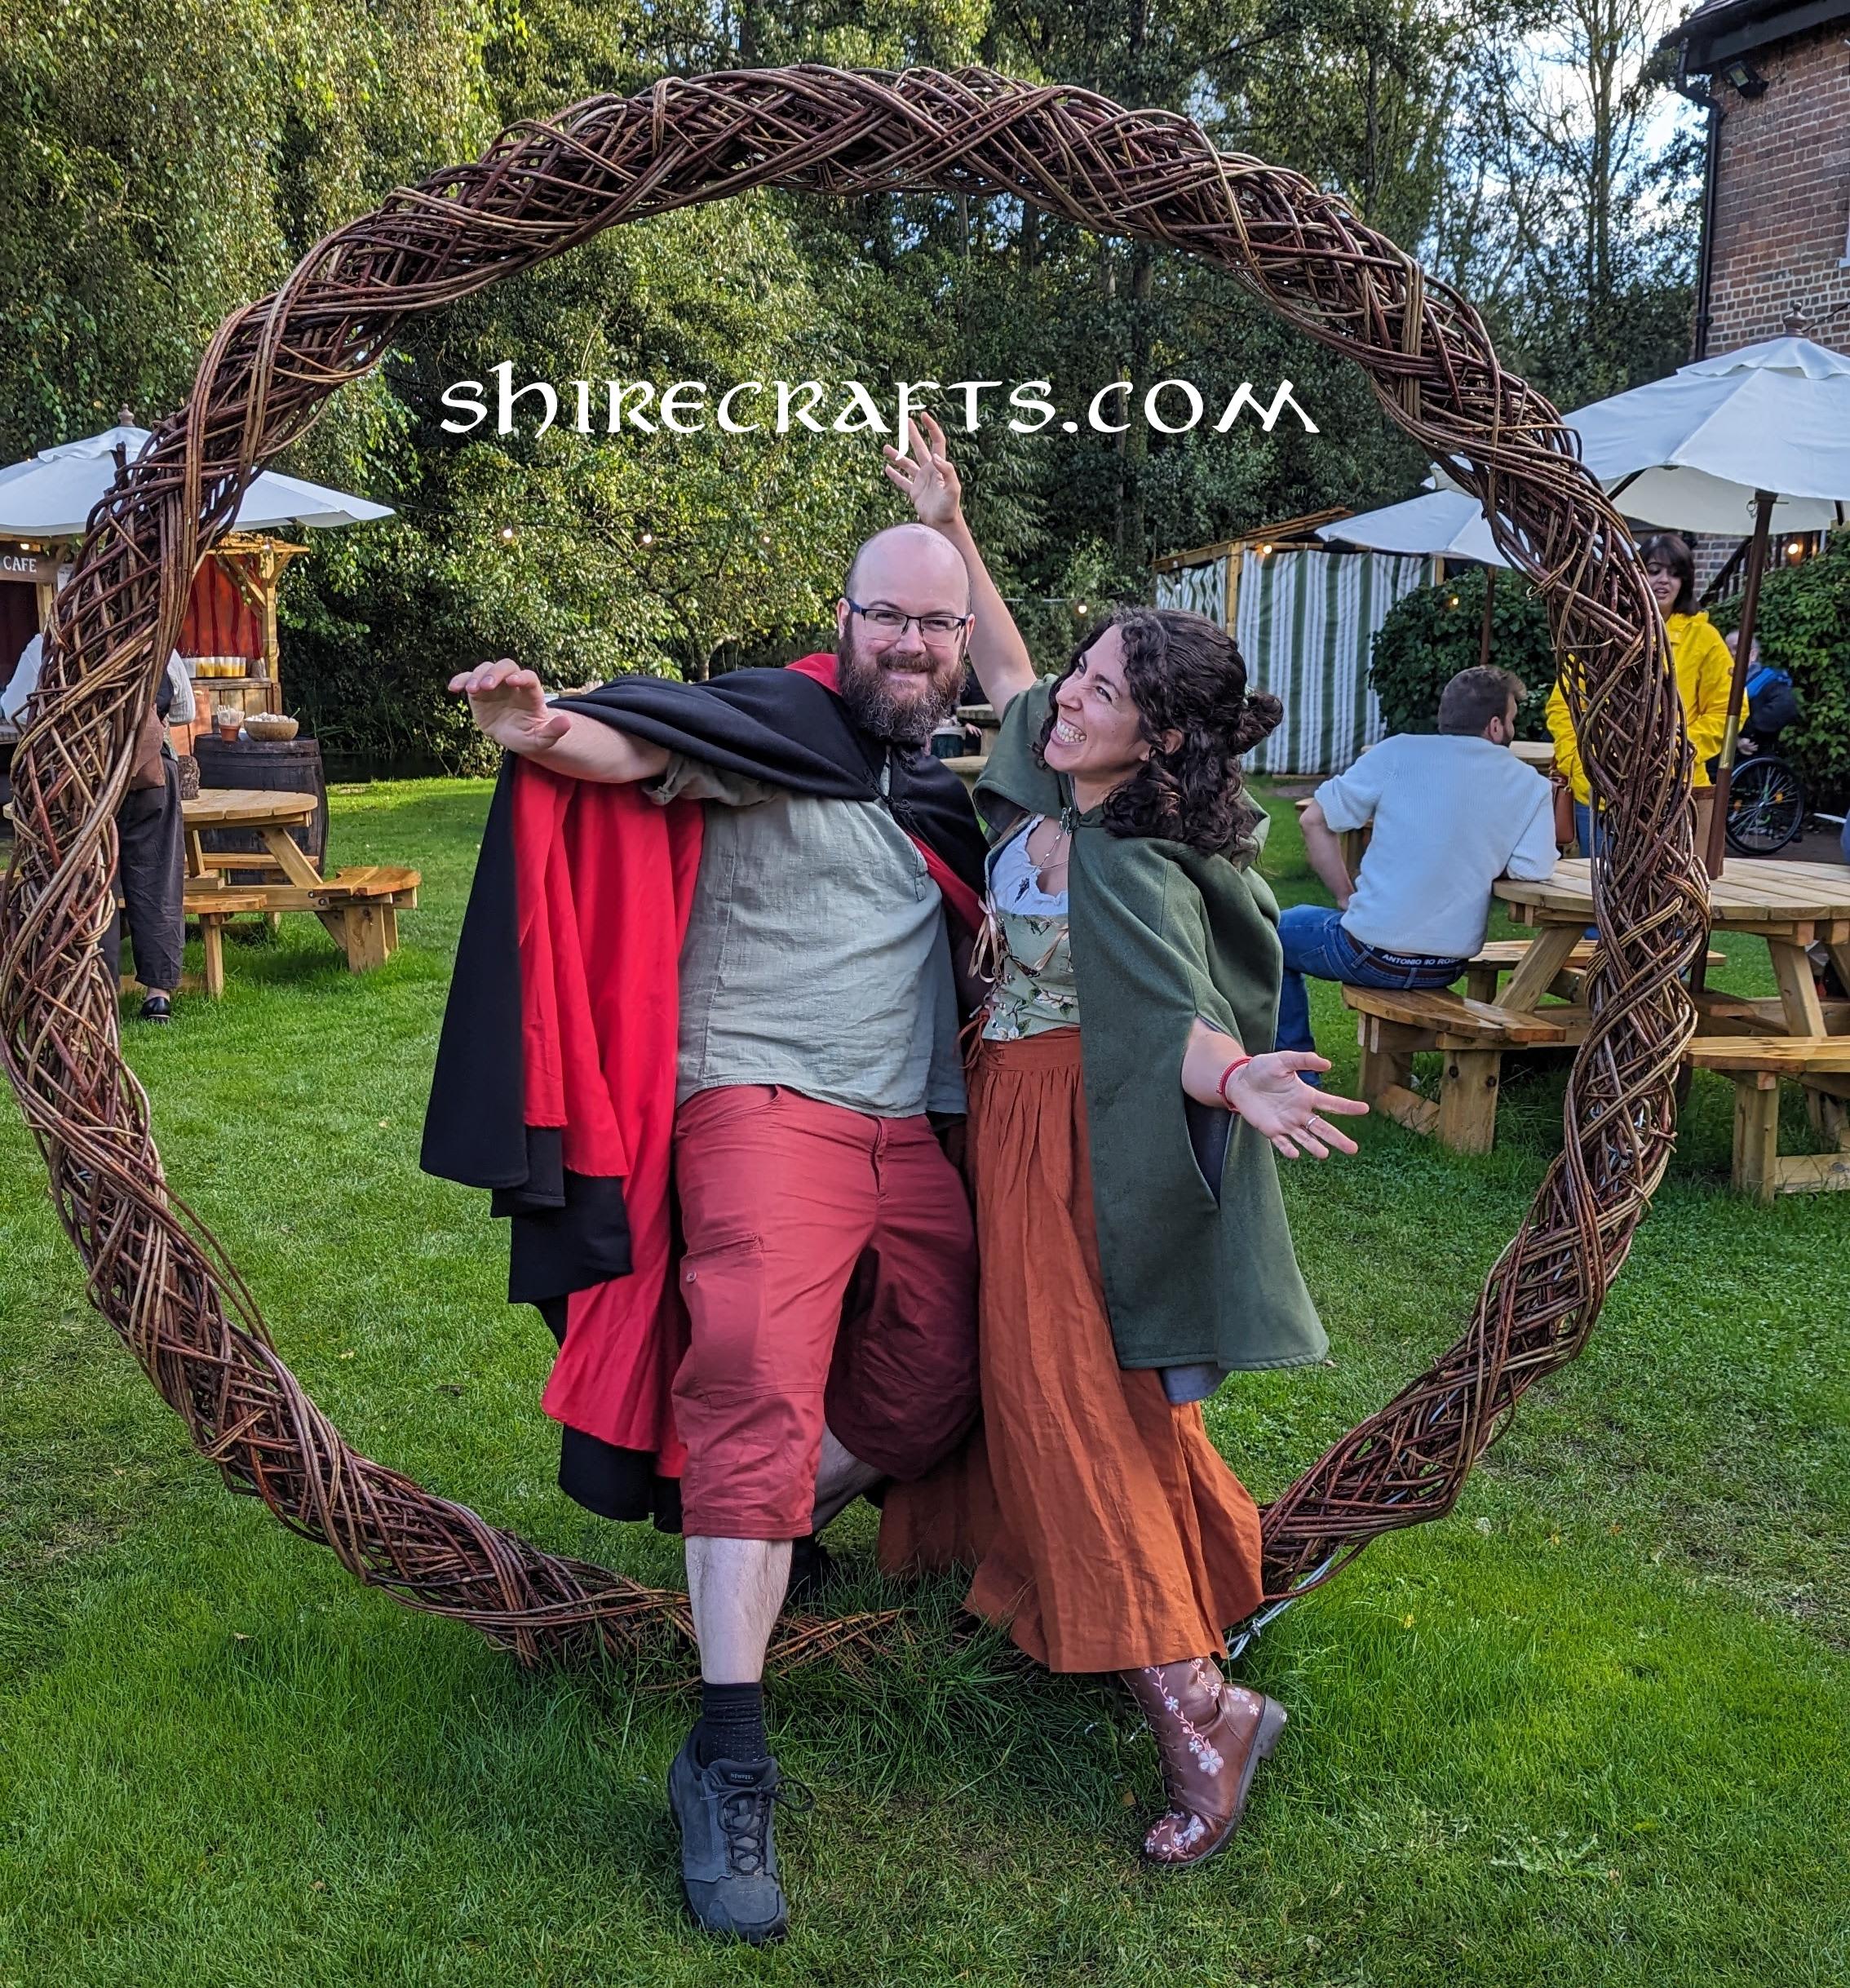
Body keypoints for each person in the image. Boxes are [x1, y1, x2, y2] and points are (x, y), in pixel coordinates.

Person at [430, 520, 991, 1946]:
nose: (911, 643)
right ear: (844, 614)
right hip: (758, 1107)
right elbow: (631, 752)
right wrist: (542, 724)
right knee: (748, 1376)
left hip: (906, 1132)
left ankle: (760, 1521)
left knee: (940, 1379)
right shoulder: (771, 725)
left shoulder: (936, 790)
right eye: (888, 617)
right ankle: (727, 1753)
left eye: (937, 622)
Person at [876, 413, 1367, 1869]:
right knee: (1060, 1387)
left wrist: (1235, 1083)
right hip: (1006, 1110)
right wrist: (952, 525)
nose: (1068, 697)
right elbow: (1018, 669)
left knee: (1060, 1396)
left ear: (1158, 735)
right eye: (1080, 676)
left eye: (1103, 691)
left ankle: (1196, 1706)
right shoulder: (1054, 787)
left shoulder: (1134, 859)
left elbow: (1168, 1022)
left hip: (1075, 1141)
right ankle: (1172, 1583)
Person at [1277, 666, 1557, 1064]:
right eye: (1512, 720)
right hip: (1446, 966)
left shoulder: (1398, 752)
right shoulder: (1530, 784)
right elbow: (1533, 869)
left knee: (1266, 932)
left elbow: (1313, 820)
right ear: (1495, 726)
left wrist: (1344, 895)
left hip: (1368, 952)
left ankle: (1297, 1070)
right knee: (1295, 924)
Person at [6, 635, 196, 1021]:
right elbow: (185, 710)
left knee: (91, 883)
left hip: (79, 781)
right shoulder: (149, 638)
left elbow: (14, 709)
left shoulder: (49, 645)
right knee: (157, 876)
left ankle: (100, 993)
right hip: (149, 773)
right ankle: (158, 995)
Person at [1547, 532, 1745, 857]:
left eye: (1675, 572)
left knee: (1662, 895)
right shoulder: (1599, 632)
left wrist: (1674, 749)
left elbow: (1729, 712)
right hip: (1600, 789)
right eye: (1654, 570)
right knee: (1595, 892)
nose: (1664, 580)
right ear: (1635, 573)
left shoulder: (1705, 639)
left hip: (1672, 793)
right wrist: (1578, 761)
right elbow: (1564, 705)